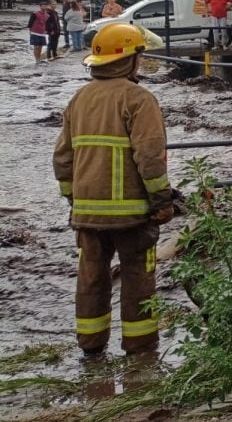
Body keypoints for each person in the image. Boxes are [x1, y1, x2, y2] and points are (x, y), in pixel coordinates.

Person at [52, 23, 176, 355]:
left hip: (87, 216)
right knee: (138, 281)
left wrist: (74, 199)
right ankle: (139, 349)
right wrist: (162, 200)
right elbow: (150, 158)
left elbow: (62, 159)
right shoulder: (139, 99)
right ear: (131, 59)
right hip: (132, 216)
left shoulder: (79, 99)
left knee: (91, 280)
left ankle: (91, 346)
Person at [27, 0, 51, 65]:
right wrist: (30, 30)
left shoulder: (47, 15)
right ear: (40, 7)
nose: (44, 7)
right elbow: (30, 22)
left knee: (41, 46)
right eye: (42, 6)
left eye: (45, 6)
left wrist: (47, 31)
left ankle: (39, 58)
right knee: (36, 46)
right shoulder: (35, 13)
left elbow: (47, 24)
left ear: (46, 7)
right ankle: (36, 60)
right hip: (35, 32)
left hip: (42, 33)